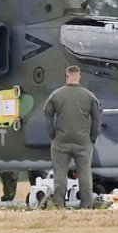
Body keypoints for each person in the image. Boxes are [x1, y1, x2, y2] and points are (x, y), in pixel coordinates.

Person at [43, 65, 101, 209]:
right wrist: (92, 136)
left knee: (60, 174)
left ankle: (59, 204)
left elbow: (48, 114)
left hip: (61, 140)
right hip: (83, 141)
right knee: (85, 174)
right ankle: (87, 205)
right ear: (79, 76)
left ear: (66, 76)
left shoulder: (56, 95)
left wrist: (52, 134)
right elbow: (97, 118)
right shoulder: (89, 96)